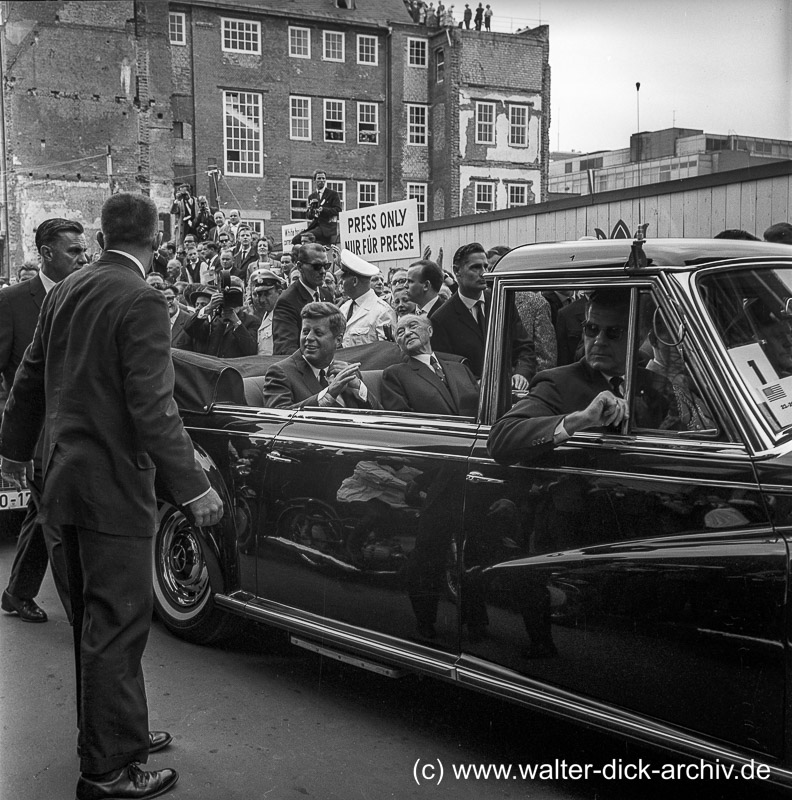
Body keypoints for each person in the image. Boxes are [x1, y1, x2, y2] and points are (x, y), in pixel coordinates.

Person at [0, 192, 223, 800]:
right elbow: (153, 406)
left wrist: (15, 454)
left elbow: (27, 377)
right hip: (112, 490)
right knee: (117, 624)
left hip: (60, 480)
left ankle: (118, 733)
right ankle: (106, 770)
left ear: (102, 236)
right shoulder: (143, 299)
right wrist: (194, 487)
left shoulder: (66, 290)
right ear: (156, 238)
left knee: (92, 624)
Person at [1, 218, 87, 624]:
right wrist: (10, 440)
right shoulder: (13, 301)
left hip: (72, 431)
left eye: (83, 250)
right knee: (58, 521)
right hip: (34, 436)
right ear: (46, 254)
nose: (82, 258)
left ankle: (17, 592)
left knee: (42, 514)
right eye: (73, 251)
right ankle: (83, 617)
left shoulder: (84, 295)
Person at [488, 288, 671, 462]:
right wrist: (581, 419)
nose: (599, 341)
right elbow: (500, 438)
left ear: (637, 337)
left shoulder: (655, 384)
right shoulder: (558, 383)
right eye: (591, 329)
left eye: (613, 332)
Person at [430, 242, 533, 387]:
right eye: (475, 267)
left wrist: (521, 373)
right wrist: (476, 383)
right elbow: (446, 367)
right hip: (471, 399)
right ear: (457, 271)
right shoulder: (441, 319)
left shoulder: (502, 302)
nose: (484, 273)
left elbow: (524, 347)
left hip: (510, 392)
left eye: (485, 267)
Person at [262, 302, 381, 409]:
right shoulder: (281, 373)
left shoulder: (348, 372)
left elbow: (382, 417)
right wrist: (328, 394)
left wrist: (359, 388)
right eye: (305, 331)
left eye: (318, 333)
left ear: (338, 340)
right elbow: (277, 419)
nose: (309, 338)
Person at [382, 314, 479, 416]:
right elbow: (402, 419)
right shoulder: (395, 375)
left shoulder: (461, 368)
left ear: (430, 331)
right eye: (400, 332)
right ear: (399, 346)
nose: (407, 333)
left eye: (413, 326)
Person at [178, 278, 259, 358]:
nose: (232, 300)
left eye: (236, 295)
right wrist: (208, 307)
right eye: (228, 296)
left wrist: (236, 321)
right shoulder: (214, 321)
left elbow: (251, 350)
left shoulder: (252, 321)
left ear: (243, 297)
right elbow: (189, 329)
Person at [272, 242, 329, 355]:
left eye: (326, 266)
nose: (323, 271)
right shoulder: (287, 301)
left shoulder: (326, 295)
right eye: (316, 266)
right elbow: (285, 349)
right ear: (299, 267)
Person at [337, 249, 394, 347]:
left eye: (344, 279)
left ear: (354, 281)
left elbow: (386, 352)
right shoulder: (344, 308)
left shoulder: (382, 311)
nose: (341, 282)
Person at [291, 170, 342, 246]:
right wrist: (312, 212)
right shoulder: (311, 197)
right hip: (315, 226)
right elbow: (308, 216)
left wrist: (323, 210)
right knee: (295, 240)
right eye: (319, 178)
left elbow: (338, 210)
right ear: (314, 180)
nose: (321, 180)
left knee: (307, 237)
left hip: (327, 227)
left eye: (323, 178)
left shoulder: (333, 194)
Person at [247, 268, 285, 355]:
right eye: (259, 295)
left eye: (267, 294)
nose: (262, 299)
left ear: (279, 292)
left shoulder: (283, 317)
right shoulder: (266, 315)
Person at [169, 182, 197, 247]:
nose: (183, 195)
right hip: (184, 230)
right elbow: (172, 211)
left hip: (195, 229)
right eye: (181, 193)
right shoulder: (179, 203)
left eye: (184, 193)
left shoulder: (196, 201)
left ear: (189, 192)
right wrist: (176, 200)